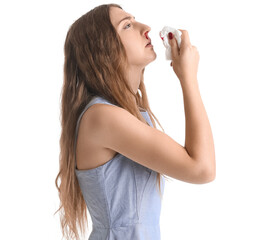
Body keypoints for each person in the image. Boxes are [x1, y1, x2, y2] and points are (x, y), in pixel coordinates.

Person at [55, 3, 216, 240]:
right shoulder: (103, 117)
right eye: (127, 25)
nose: (146, 27)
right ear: (104, 49)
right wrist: (188, 78)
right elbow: (202, 168)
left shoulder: (128, 114)